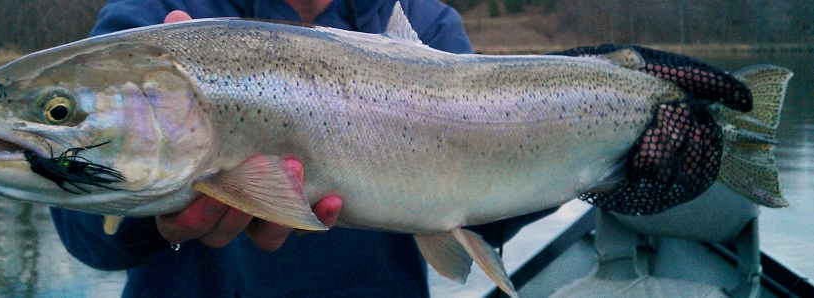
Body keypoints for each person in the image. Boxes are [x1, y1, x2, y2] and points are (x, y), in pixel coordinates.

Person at [51, 1, 552, 297]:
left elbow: (484, 204)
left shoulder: (425, 22)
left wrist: (616, 166)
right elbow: (85, 234)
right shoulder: (157, 19)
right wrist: (151, 213)